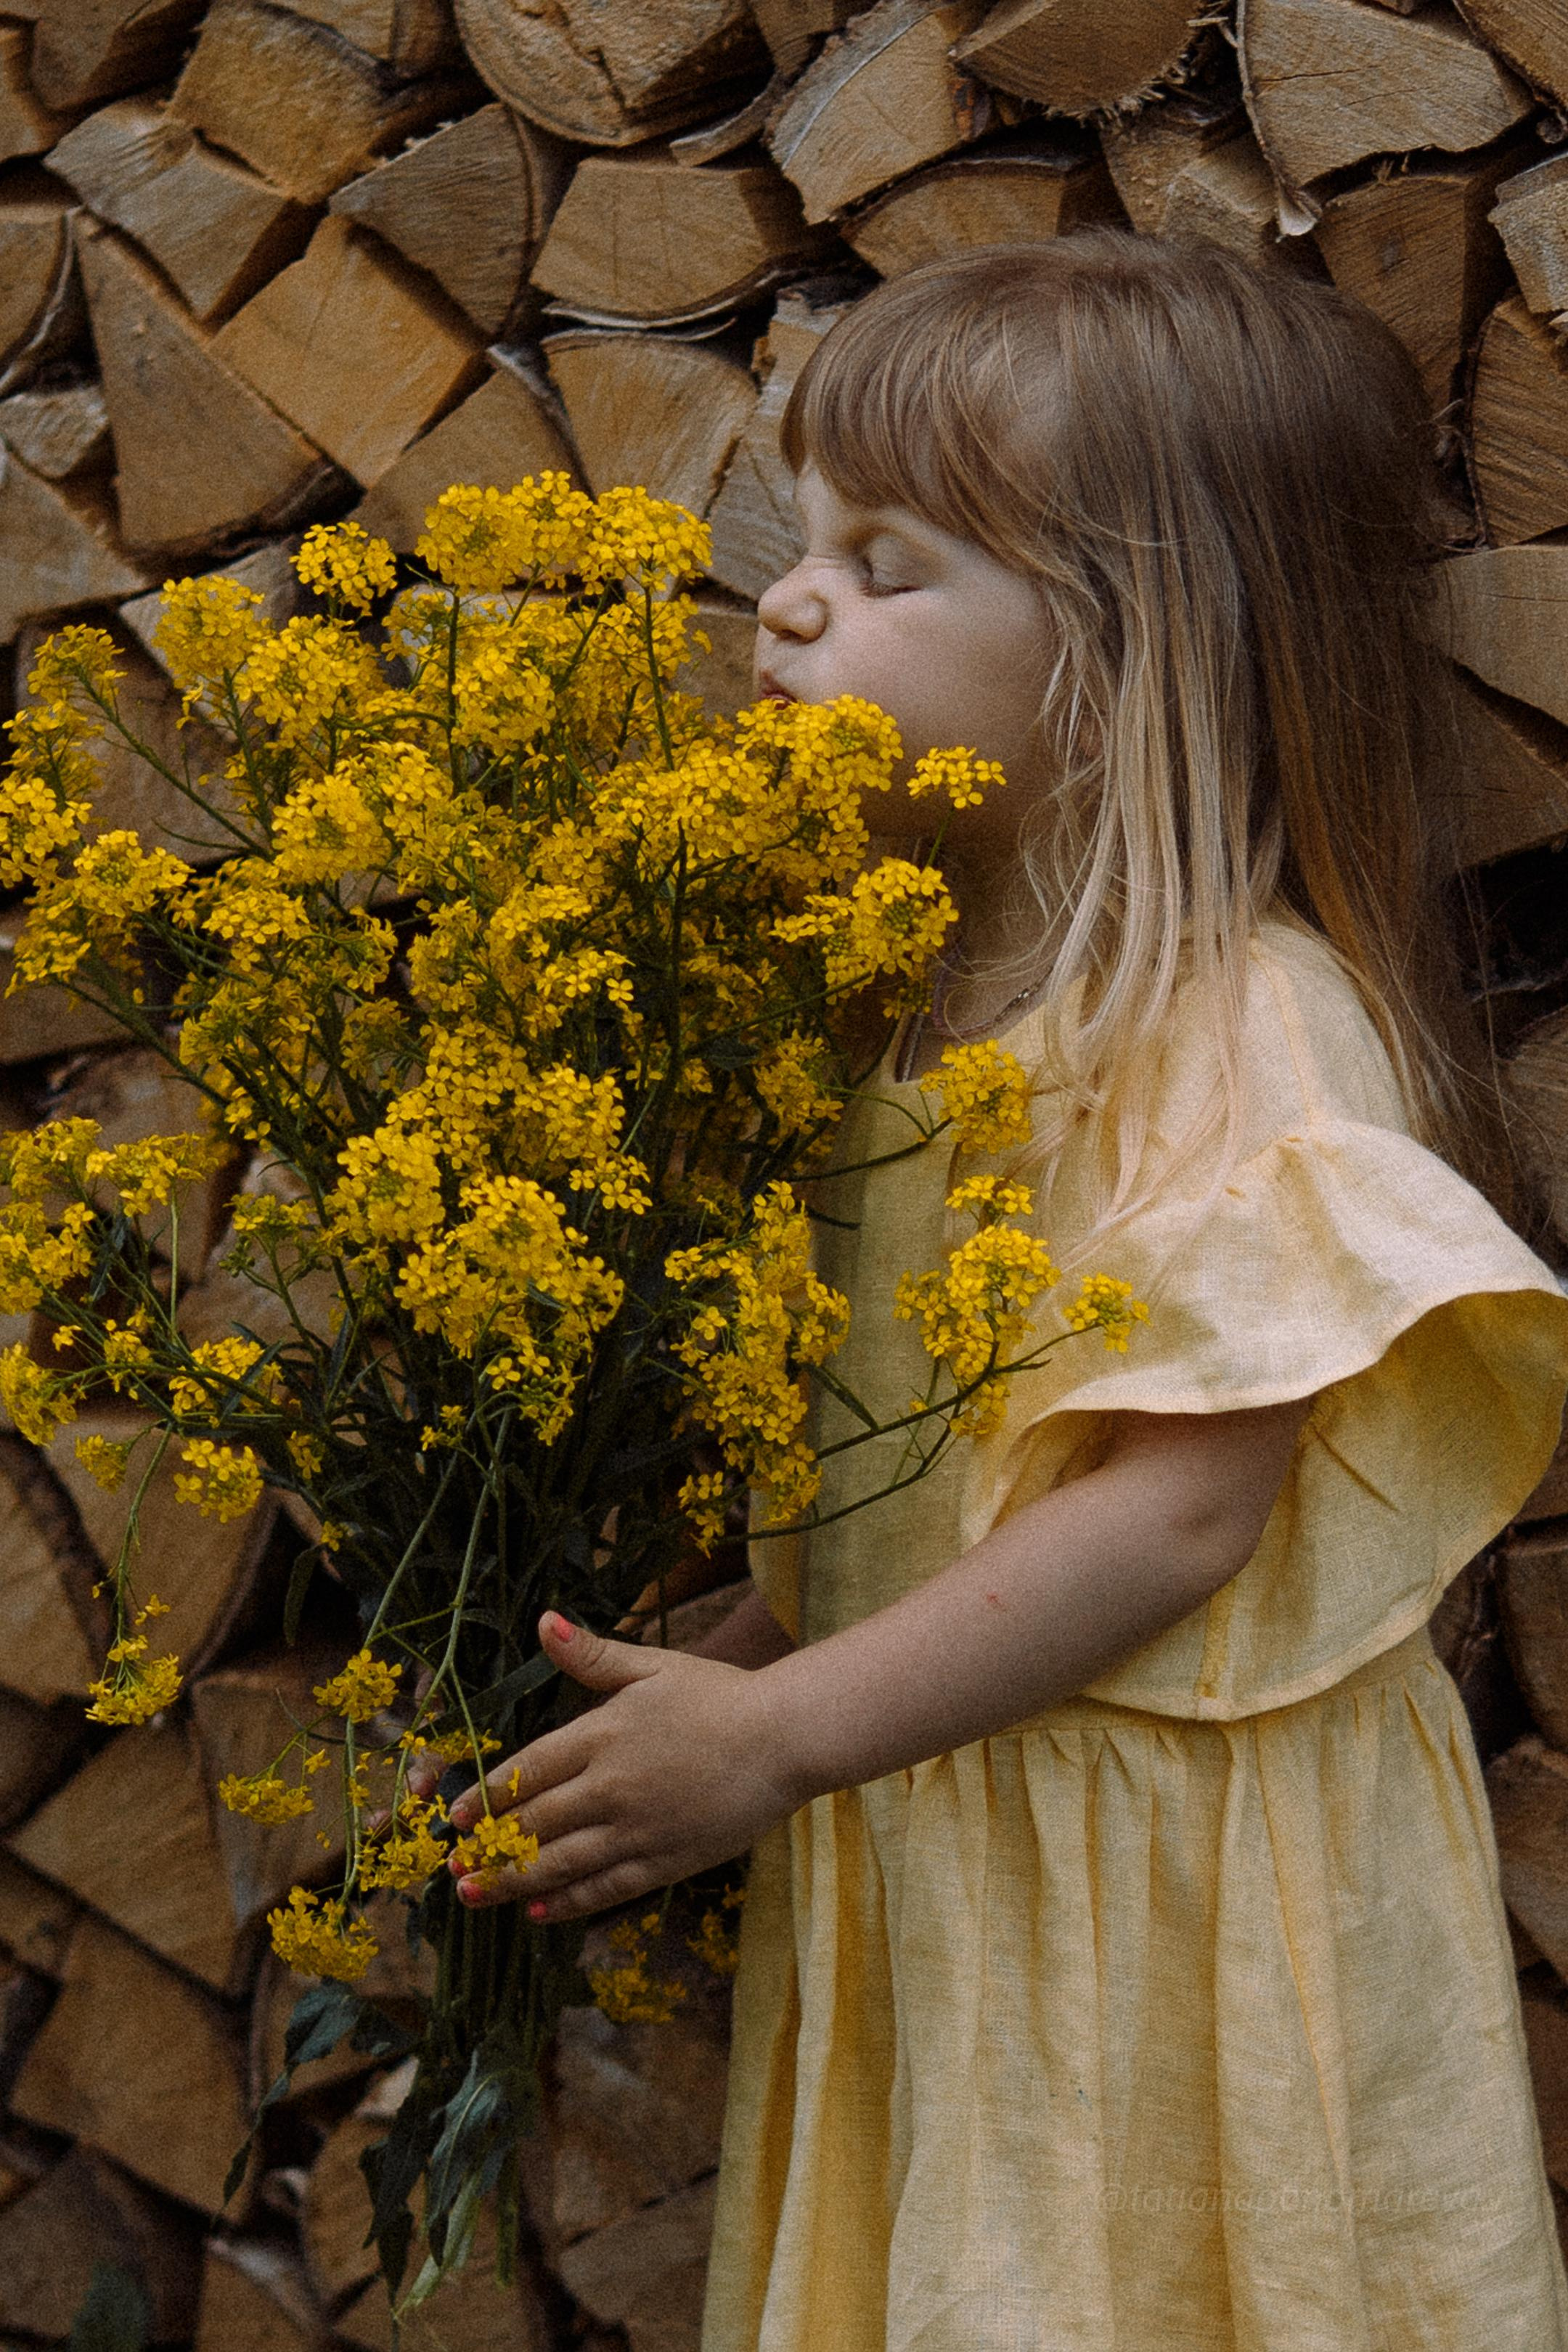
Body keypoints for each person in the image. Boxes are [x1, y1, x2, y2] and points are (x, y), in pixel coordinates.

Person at [439, 235, 1568, 2348]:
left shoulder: (1232, 1024)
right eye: (807, 542)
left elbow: (1173, 1507)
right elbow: (953, 1473)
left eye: (888, 565)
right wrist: (748, 1655)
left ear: (1130, 653)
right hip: (942, 1828)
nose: (787, 601)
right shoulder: (907, 1014)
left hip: (1160, 1900)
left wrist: (779, 1732)